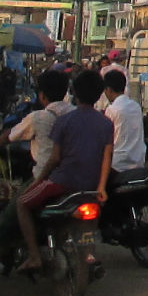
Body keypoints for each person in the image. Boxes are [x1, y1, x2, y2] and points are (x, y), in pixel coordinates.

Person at [0, 69, 72, 296]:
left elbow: (11, 134)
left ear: (42, 95)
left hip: (45, 178)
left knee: (2, 226)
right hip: (72, 179)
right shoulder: (74, 114)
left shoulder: (39, 117)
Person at [15, 70, 114, 275]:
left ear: (75, 93)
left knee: (21, 203)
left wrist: (38, 181)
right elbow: (107, 157)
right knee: (91, 221)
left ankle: (34, 256)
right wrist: (101, 186)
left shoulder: (65, 121)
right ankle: (89, 255)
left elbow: (54, 159)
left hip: (62, 181)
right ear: (99, 94)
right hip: (90, 185)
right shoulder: (106, 123)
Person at [102, 69, 146, 172]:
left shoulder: (112, 110)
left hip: (117, 164)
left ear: (109, 89)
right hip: (138, 161)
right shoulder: (136, 107)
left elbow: (107, 139)